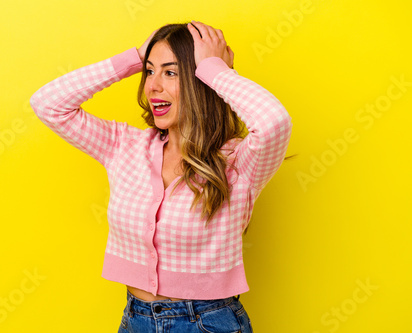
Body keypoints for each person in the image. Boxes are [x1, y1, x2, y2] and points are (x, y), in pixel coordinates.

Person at [30, 20, 292, 333]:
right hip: (135, 319)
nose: (152, 85)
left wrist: (215, 69)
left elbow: (275, 121)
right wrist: (134, 58)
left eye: (170, 72)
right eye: (149, 71)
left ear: (201, 82)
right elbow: (47, 104)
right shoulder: (124, 146)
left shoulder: (238, 161)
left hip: (208, 323)